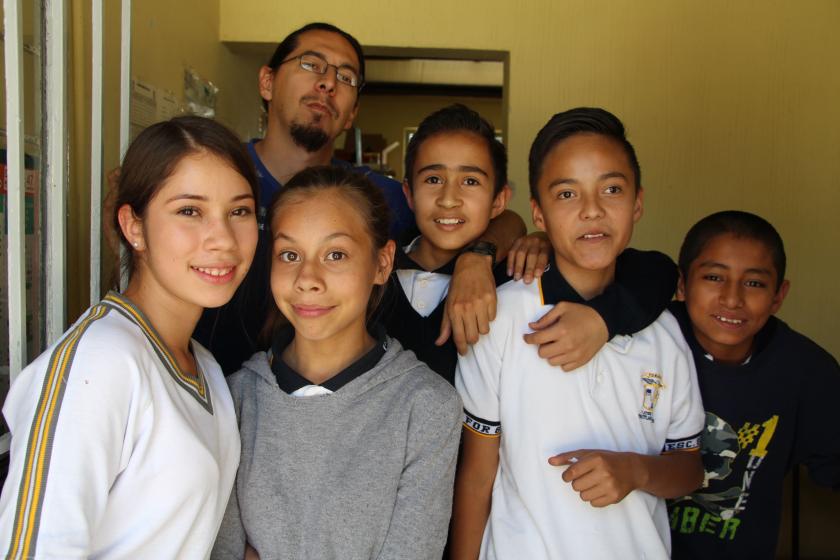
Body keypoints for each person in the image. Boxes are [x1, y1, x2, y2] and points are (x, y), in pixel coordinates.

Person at [195, 23, 527, 373]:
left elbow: (498, 219)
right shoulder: (215, 175)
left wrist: (478, 257)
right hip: (205, 386)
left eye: (346, 77)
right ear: (267, 81)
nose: (328, 83)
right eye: (311, 64)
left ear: (352, 111)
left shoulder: (370, 197)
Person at [451, 108, 705, 560]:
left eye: (611, 189)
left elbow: (689, 467)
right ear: (539, 214)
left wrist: (636, 472)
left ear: (638, 203)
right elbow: (477, 475)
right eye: (567, 193)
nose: (592, 210)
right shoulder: (502, 318)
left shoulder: (665, 334)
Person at [0, 117, 258, 559]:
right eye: (189, 211)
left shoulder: (206, 368)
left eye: (239, 211)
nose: (223, 239)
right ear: (133, 226)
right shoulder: (99, 363)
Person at [211, 166, 462, 560]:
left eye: (336, 254)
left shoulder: (426, 407)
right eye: (290, 254)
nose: (307, 278)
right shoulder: (236, 398)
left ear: (382, 263)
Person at [387, 104, 679, 384]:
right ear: (409, 194)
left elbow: (659, 271)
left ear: (499, 200)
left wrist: (602, 319)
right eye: (434, 178)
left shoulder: (519, 271)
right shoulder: (374, 272)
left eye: (471, 181)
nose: (449, 198)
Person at [667, 210, 840, 559]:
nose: (732, 299)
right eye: (714, 277)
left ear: (778, 295)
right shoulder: (643, 342)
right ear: (683, 284)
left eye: (755, 283)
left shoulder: (807, 371)